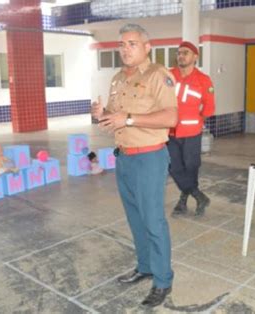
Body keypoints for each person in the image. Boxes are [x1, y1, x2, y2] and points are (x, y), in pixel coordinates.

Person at [91, 23, 177, 308]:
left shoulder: (157, 75)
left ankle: (163, 280)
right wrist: (103, 115)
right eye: (122, 45)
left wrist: (127, 118)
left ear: (146, 47)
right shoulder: (118, 78)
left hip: (149, 158)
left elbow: (170, 118)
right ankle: (145, 266)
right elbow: (117, 118)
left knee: (153, 220)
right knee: (136, 219)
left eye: (132, 44)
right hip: (124, 157)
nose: (125, 50)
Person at [168, 41, 215, 217]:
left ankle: (182, 202)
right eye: (179, 52)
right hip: (170, 132)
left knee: (191, 166)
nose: (181, 55)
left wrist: (196, 119)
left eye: (185, 53)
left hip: (192, 134)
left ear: (195, 57)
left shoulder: (203, 80)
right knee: (174, 167)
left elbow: (209, 108)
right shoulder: (169, 75)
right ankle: (199, 195)